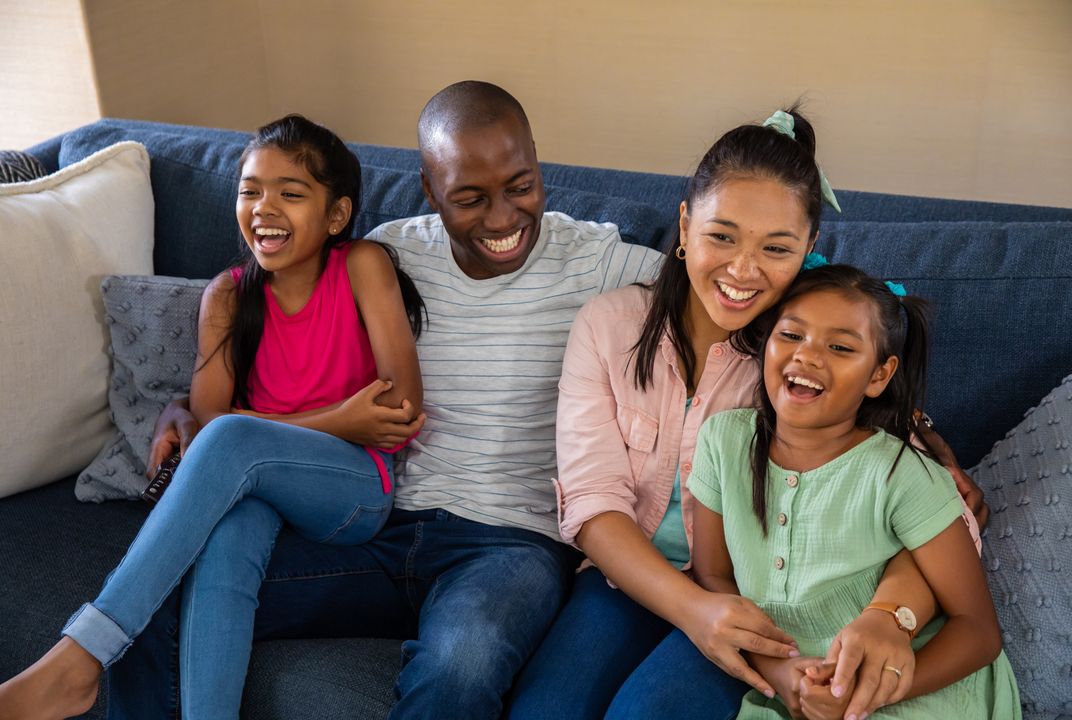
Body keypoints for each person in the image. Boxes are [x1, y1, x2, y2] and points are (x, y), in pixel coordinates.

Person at [102, 81, 664, 719]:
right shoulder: (389, 252)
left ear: (538, 164)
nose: (504, 217)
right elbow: (287, 315)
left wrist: (797, 267)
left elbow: (719, 279)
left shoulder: (596, 259)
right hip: (381, 523)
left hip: (513, 544)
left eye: (522, 185)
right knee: (158, 604)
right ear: (430, 190)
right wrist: (184, 403)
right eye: (470, 198)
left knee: (461, 664)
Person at [506, 109, 987, 720]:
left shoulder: (799, 360)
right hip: (630, 578)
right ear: (684, 226)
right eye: (722, 236)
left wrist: (893, 605)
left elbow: (917, 505)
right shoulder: (609, 326)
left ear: (809, 250)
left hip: (757, 597)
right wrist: (693, 610)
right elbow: (593, 503)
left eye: (776, 248)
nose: (742, 270)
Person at [0, 114, 426, 720]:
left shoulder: (360, 265)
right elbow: (207, 423)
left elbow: (400, 409)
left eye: (291, 192)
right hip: (262, 487)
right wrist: (339, 417)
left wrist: (307, 429)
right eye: (250, 190)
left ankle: (80, 658)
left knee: (234, 443)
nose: (263, 207)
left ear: (335, 215)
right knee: (229, 537)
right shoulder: (227, 295)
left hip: (353, 489)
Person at [690, 264, 1020, 718]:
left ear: (879, 376)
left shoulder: (900, 474)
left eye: (841, 347)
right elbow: (715, 579)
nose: (807, 356)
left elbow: (978, 632)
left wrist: (869, 696)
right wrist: (781, 676)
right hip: (794, 691)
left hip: (917, 686)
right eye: (791, 335)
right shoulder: (722, 441)